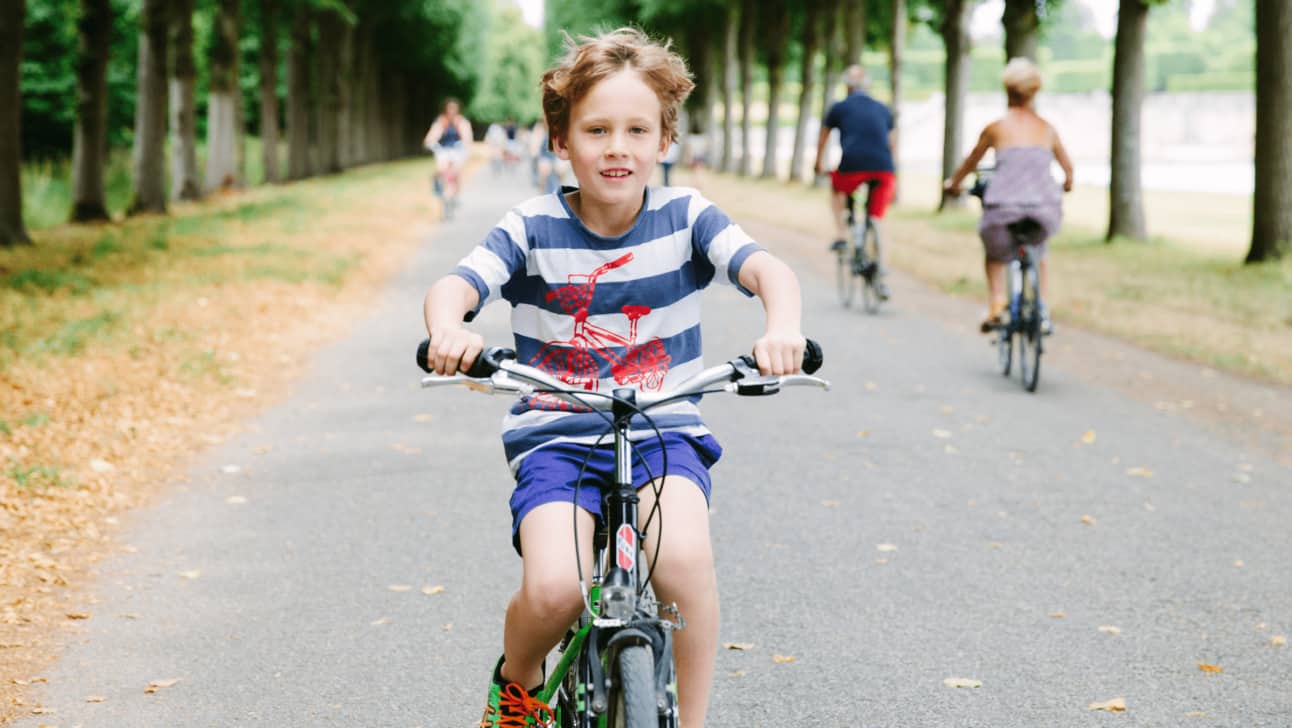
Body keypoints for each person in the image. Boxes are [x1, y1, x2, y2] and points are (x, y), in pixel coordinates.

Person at [421, 27, 806, 728]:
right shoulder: (531, 226)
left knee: (684, 565)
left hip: (664, 428)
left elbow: (766, 270)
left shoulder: (685, 215)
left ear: (665, 140)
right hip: (558, 436)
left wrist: (782, 327)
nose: (617, 147)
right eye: (596, 129)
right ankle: (517, 682)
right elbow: (458, 285)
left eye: (637, 129)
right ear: (561, 140)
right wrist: (451, 328)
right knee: (554, 591)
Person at [944, 57, 1073, 333]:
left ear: (1007, 91)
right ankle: (1041, 306)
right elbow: (1068, 170)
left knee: (994, 253)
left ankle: (998, 302)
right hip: (1044, 210)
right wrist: (1066, 186)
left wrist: (953, 184)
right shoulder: (1047, 129)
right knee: (1040, 250)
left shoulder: (996, 128)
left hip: (1003, 209)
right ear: (1034, 92)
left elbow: (971, 163)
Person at [814, 65, 897, 300]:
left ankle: (841, 234)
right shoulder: (884, 108)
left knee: (837, 188)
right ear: (867, 85)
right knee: (878, 218)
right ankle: (881, 269)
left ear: (847, 86)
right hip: (884, 169)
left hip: (853, 166)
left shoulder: (839, 108)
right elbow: (892, 144)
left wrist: (818, 164)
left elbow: (823, 139)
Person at [422, 98, 474, 213]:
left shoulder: (461, 121)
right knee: (441, 169)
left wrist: (465, 144)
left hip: (457, 150)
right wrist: (430, 143)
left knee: (455, 173)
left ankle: (454, 195)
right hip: (444, 150)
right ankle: (438, 185)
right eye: (449, 108)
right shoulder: (441, 121)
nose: (451, 110)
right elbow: (432, 135)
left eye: (454, 108)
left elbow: (467, 136)